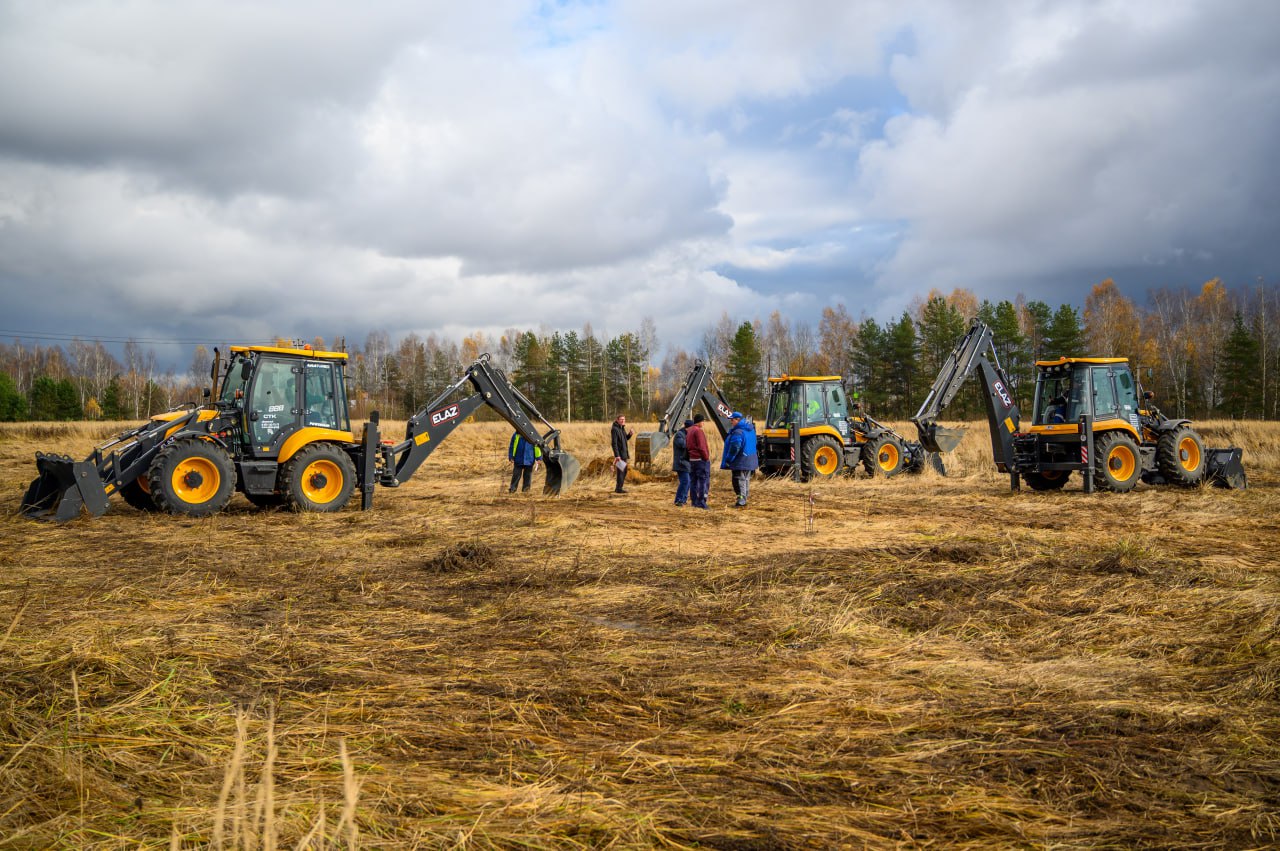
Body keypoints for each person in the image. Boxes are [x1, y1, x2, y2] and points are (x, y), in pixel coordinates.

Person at [720, 411, 759, 507]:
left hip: (740, 460)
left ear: (738, 420)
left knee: (738, 480)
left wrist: (729, 459)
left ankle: (741, 500)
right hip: (750, 459)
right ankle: (744, 498)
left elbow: (735, 447)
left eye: (732, 420)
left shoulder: (738, 432)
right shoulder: (750, 429)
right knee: (746, 479)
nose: (731, 422)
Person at [686, 413, 711, 509]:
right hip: (700, 460)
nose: (704, 423)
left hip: (692, 460)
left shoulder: (690, 430)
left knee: (693, 481)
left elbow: (688, 445)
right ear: (700, 422)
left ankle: (694, 502)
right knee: (703, 481)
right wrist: (706, 458)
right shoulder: (698, 431)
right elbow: (701, 446)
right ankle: (701, 502)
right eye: (703, 421)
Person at [671, 418, 692, 506]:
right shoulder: (679, 435)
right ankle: (679, 500)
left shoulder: (686, 434)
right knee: (685, 481)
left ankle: (683, 499)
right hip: (681, 462)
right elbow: (684, 445)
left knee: (688, 482)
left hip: (686, 463)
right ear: (688, 428)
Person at [610, 414, 633, 494]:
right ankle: (619, 489)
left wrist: (630, 435)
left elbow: (625, 439)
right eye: (621, 419)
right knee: (621, 471)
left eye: (624, 419)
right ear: (617, 420)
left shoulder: (622, 428)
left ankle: (619, 487)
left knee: (624, 470)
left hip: (624, 454)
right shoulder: (615, 429)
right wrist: (617, 456)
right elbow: (614, 443)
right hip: (620, 455)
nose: (623, 421)